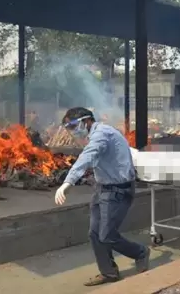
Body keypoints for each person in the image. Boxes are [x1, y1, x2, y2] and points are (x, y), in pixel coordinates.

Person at [54, 107, 150, 286]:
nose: (72, 131)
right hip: (103, 189)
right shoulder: (94, 135)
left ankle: (140, 252)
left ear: (86, 121)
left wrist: (68, 182)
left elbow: (87, 157)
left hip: (118, 191)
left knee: (106, 235)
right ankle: (109, 272)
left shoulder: (102, 134)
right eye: (69, 127)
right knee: (95, 234)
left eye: (74, 126)